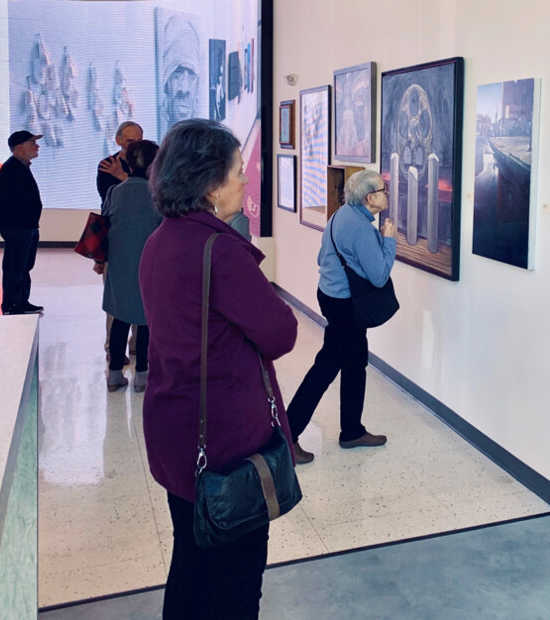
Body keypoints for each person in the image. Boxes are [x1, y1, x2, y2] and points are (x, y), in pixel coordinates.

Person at [139, 119, 297, 620]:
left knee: (190, 560)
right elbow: (281, 334)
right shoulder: (221, 252)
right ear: (209, 184)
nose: (245, 181)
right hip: (224, 439)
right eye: (236, 172)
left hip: (174, 428)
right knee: (234, 582)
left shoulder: (160, 239)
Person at [285, 169, 397, 464]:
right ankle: (288, 434)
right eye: (384, 189)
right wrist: (389, 240)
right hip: (346, 306)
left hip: (331, 297)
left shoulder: (342, 214)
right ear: (371, 197)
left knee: (355, 362)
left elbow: (322, 259)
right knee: (327, 366)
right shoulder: (360, 228)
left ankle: (352, 430)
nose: (387, 193)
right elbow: (379, 275)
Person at [96, 140, 161, 393]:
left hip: (119, 264)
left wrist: (101, 260)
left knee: (120, 318)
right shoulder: (159, 195)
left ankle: (114, 375)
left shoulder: (116, 191)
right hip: (149, 265)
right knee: (145, 319)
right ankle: (142, 375)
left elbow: (103, 225)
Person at [0, 130, 43, 315]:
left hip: (27, 227)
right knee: (15, 267)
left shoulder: (21, 166)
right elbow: (2, 199)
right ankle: (11, 304)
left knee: (24, 266)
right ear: (19, 147)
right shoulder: (11, 169)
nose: (37, 146)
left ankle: (21, 301)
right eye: (32, 143)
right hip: (18, 228)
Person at [97, 120, 144, 202]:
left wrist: (123, 177)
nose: (136, 146)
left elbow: (151, 193)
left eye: (139, 141)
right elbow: (109, 198)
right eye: (130, 142)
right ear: (118, 141)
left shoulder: (150, 163)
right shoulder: (108, 165)